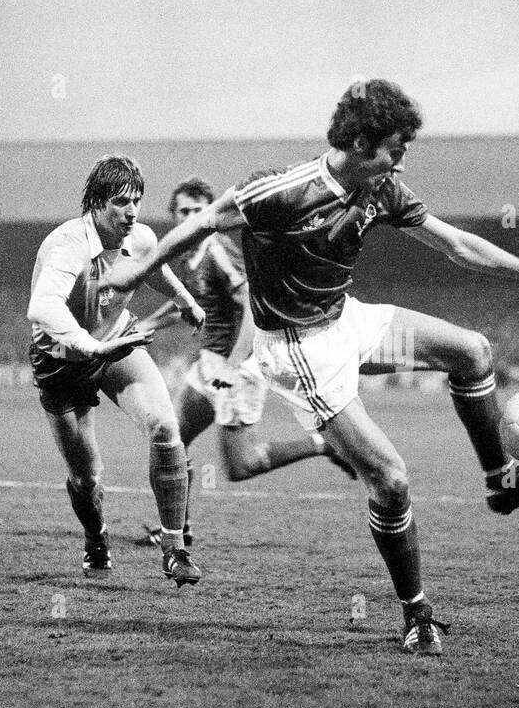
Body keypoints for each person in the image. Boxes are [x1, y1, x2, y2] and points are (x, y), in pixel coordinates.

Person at [106, 80, 519, 654]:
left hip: (346, 319)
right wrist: (135, 275)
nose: (402, 160)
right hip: (299, 350)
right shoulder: (283, 189)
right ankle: (416, 613)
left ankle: (502, 481)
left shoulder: (381, 188)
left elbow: (455, 243)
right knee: (392, 478)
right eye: (396, 147)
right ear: (360, 141)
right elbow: (206, 219)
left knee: (473, 351)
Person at [138, 177, 357, 547]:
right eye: (184, 211)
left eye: (198, 209)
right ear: (174, 216)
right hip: (208, 368)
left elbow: (253, 305)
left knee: (243, 465)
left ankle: (325, 445)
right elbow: (190, 304)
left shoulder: (218, 249)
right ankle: (178, 528)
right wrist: (147, 324)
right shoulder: (191, 255)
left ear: (210, 212)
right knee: (170, 440)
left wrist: (234, 365)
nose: (191, 215)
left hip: (235, 369)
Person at [26, 154, 206, 586]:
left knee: (165, 426)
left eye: (137, 202)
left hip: (117, 343)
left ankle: (175, 549)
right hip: (63, 363)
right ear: (96, 202)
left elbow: (153, 267)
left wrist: (184, 299)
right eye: (122, 203)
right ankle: (96, 538)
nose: (131, 213)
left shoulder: (139, 236)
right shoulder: (68, 245)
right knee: (87, 479)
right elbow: (41, 307)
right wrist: (92, 345)